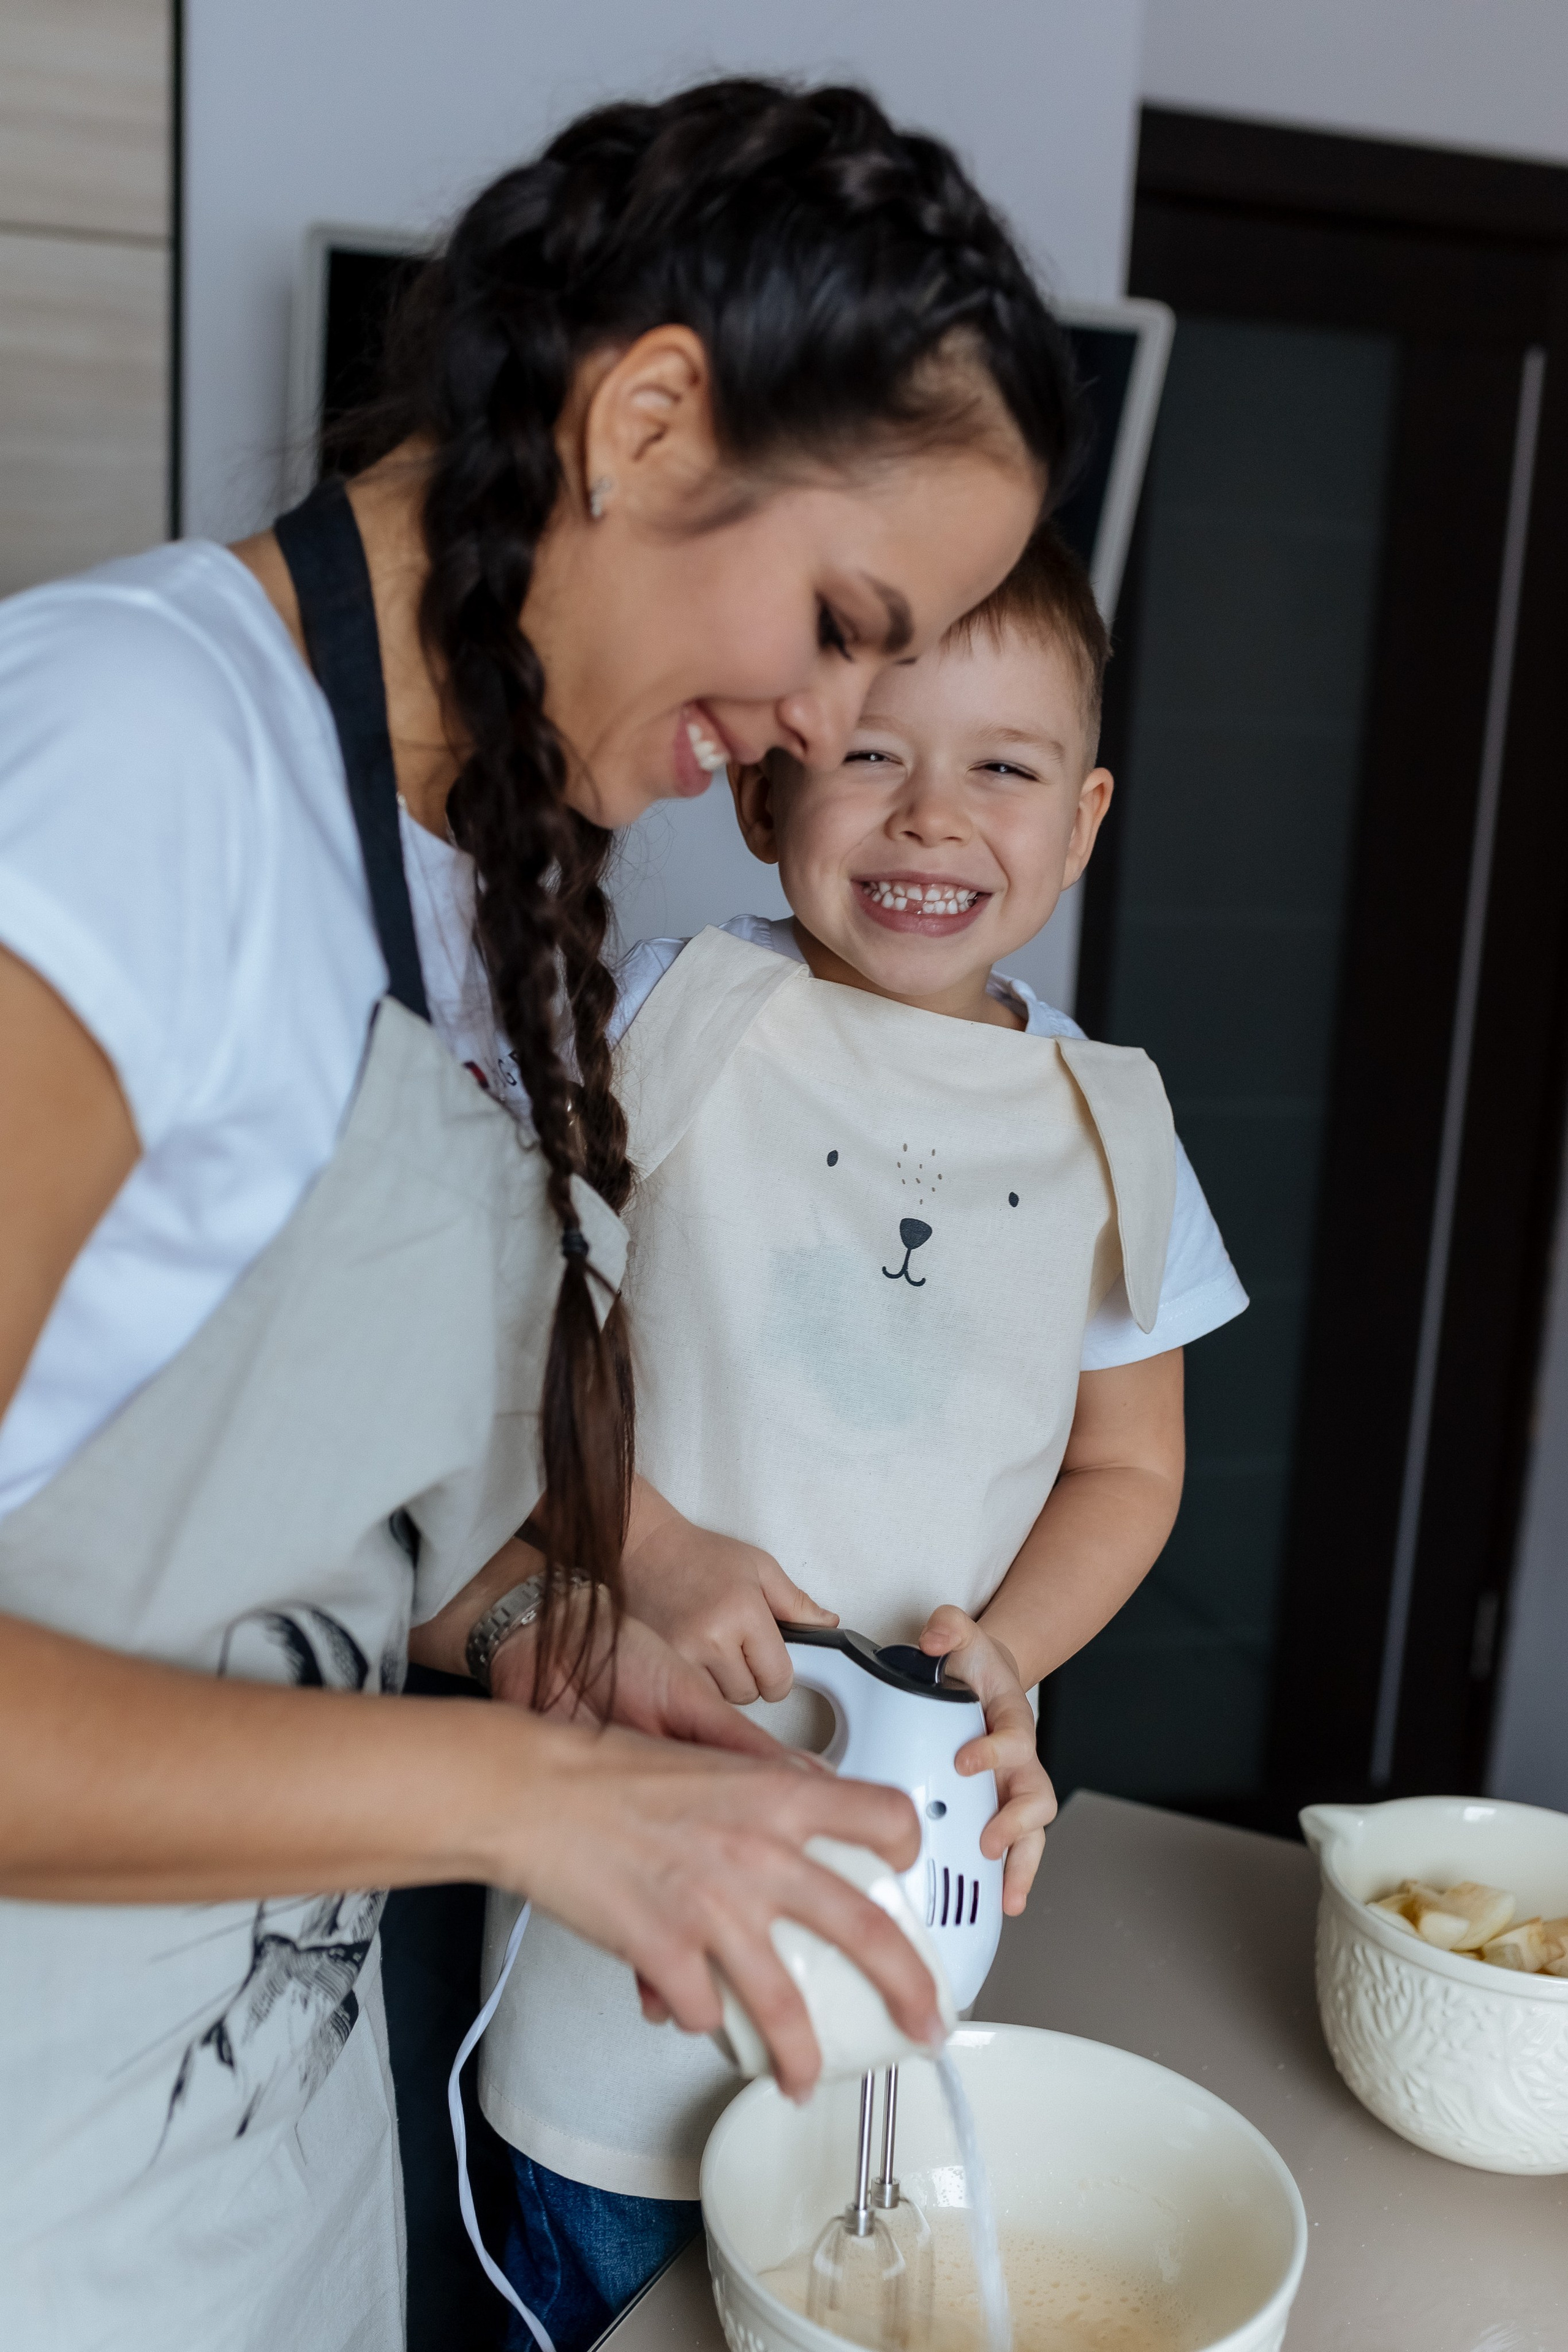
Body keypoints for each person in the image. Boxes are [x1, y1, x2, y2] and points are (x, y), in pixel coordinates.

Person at [0, 78, 1081, 2352]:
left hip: (251, 2179)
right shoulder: (137, 771)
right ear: (652, 419)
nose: (811, 725)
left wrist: (557, 1638)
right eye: (837, 622)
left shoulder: (467, 877)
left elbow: (253, 1545)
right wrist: (531, 1797)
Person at [480, 526, 1248, 2347]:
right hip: (623, 1803)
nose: (930, 818)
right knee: (609, 2241)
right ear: (761, 789)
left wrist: (1014, 1653)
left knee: (855, 2235)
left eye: (1004, 768)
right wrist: (645, 1539)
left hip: (911, 1847)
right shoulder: (663, 1016)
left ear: (1083, 820)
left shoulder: (1114, 1127)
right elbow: (477, 1341)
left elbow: (1130, 1468)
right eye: (872, 754)